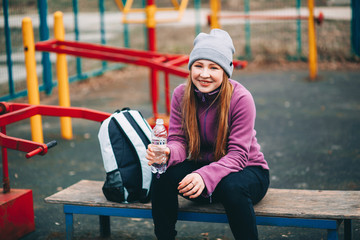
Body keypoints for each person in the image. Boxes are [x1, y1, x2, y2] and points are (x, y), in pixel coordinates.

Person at [146, 29, 270, 240]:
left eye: (213, 67)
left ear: (226, 71)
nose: (204, 74)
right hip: (203, 169)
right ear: (190, 67)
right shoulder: (180, 95)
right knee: (161, 174)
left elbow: (238, 155)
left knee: (232, 186)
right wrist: (167, 152)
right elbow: (179, 141)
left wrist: (204, 175)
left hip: (248, 170)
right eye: (198, 65)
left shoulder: (241, 99)